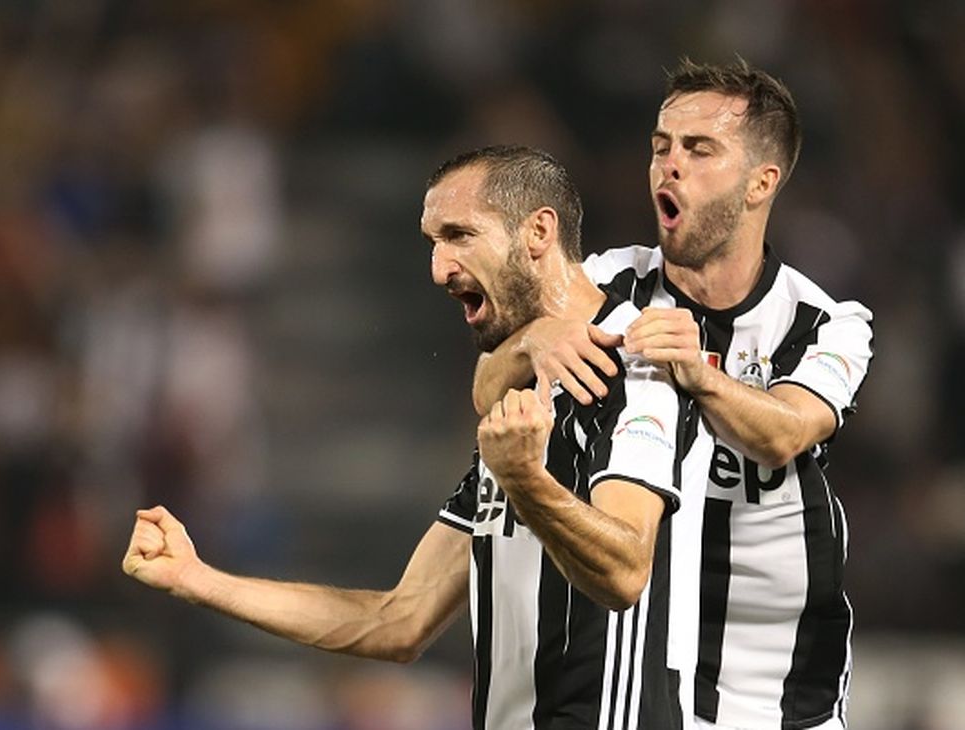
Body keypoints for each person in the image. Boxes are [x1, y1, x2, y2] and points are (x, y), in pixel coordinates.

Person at [123, 145, 711, 729]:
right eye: (433, 242)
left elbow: (626, 571)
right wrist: (199, 580)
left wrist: (525, 479)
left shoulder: (635, 366)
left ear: (538, 231)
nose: (439, 268)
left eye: (460, 235)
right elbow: (398, 620)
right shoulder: (521, 409)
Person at [473, 59, 874, 730]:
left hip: (786, 702)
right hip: (648, 689)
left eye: (699, 149)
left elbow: (785, 433)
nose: (668, 166)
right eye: (660, 147)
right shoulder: (605, 286)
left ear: (761, 183)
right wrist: (527, 345)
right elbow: (489, 388)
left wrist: (698, 372)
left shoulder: (826, 322)